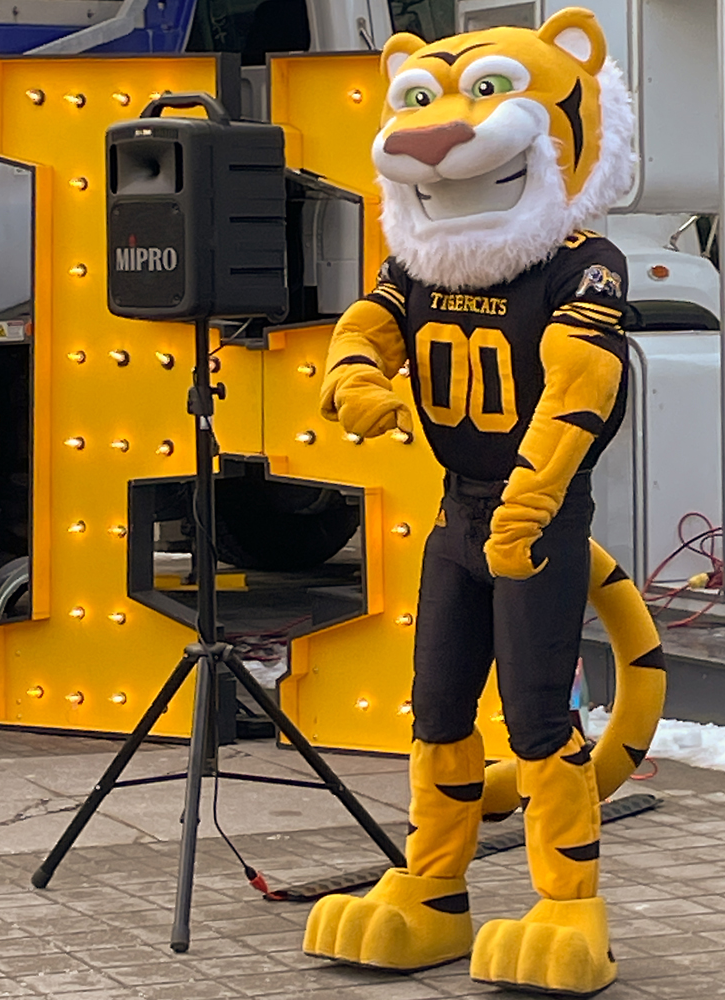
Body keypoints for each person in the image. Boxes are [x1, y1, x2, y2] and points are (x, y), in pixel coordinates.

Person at [305, 9, 640, 995]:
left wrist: (531, 510)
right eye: (422, 100)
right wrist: (355, 378)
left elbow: (581, 392)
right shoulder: (424, 263)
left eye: (487, 94)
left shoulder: (585, 262)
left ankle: (569, 901)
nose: (443, 132)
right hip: (461, 510)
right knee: (438, 707)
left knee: (538, 717)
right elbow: (369, 323)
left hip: (537, 515)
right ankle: (435, 889)